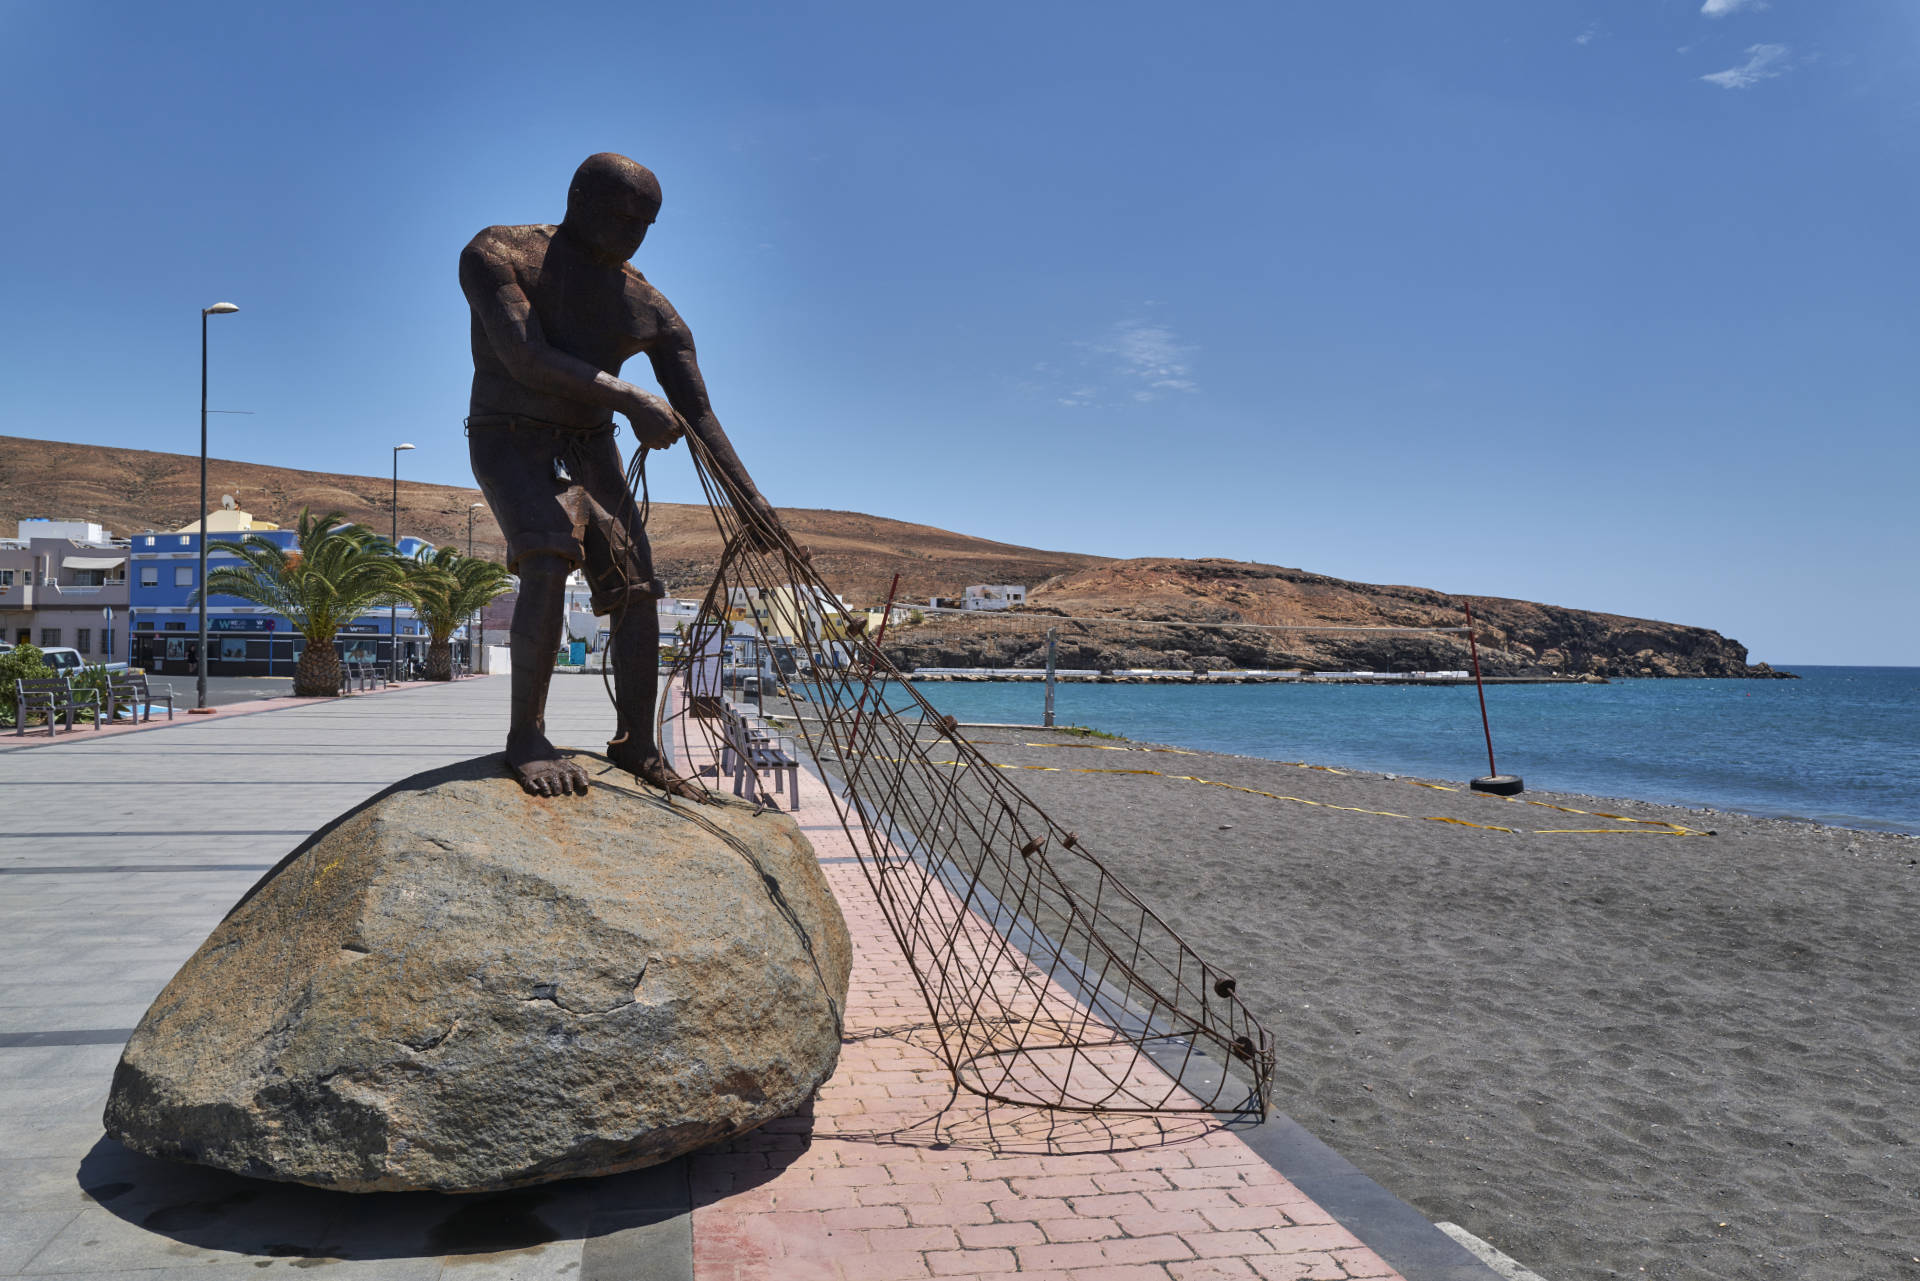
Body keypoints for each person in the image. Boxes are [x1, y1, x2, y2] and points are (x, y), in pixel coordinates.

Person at [461, 152, 791, 797]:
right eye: (621, 217)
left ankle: (637, 744)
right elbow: (524, 357)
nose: (633, 234)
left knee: (638, 587)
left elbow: (698, 412)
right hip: (509, 436)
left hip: (591, 448)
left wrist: (749, 502)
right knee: (548, 551)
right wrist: (632, 398)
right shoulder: (497, 253)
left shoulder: (650, 309)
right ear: (577, 200)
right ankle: (527, 735)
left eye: (646, 224)